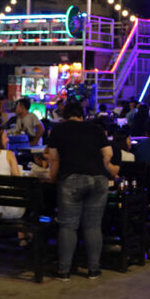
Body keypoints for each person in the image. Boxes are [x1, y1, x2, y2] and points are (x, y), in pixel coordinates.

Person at [47, 101, 118, 280]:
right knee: (93, 226)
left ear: (65, 116)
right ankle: (94, 269)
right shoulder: (95, 129)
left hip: (71, 179)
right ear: (82, 115)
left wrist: (52, 179)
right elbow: (108, 153)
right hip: (98, 179)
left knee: (68, 225)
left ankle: (64, 270)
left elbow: (54, 160)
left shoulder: (58, 130)